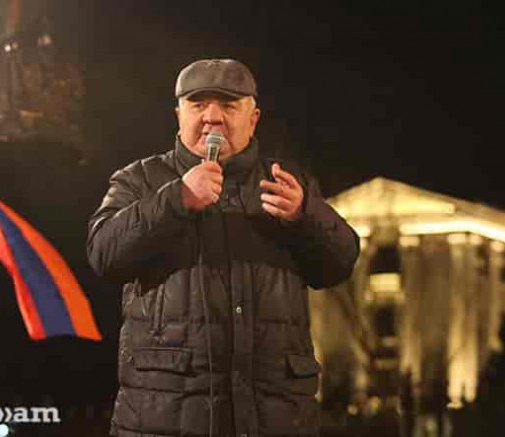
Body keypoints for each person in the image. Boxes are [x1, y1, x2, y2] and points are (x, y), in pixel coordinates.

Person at [87, 58, 360, 437]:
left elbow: (341, 262)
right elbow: (103, 254)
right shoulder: (140, 180)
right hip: (164, 420)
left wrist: (305, 216)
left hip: (276, 419)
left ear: (253, 118)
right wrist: (176, 200)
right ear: (179, 115)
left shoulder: (287, 183)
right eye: (198, 104)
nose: (212, 117)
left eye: (229, 106)